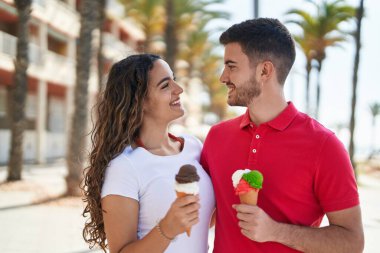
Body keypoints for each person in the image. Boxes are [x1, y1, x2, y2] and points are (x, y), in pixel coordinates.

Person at [200, 18, 364, 253]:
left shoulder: (324, 146)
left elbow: (353, 242)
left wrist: (275, 231)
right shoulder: (217, 137)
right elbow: (205, 214)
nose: (223, 77)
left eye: (232, 66)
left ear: (265, 70)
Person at [82, 54, 215, 253]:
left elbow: (201, 222)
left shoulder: (194, 147)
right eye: (165, 85)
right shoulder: (124, 166)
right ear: (139, 101)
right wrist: (167, 228)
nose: (179, 90)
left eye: (174, 81)